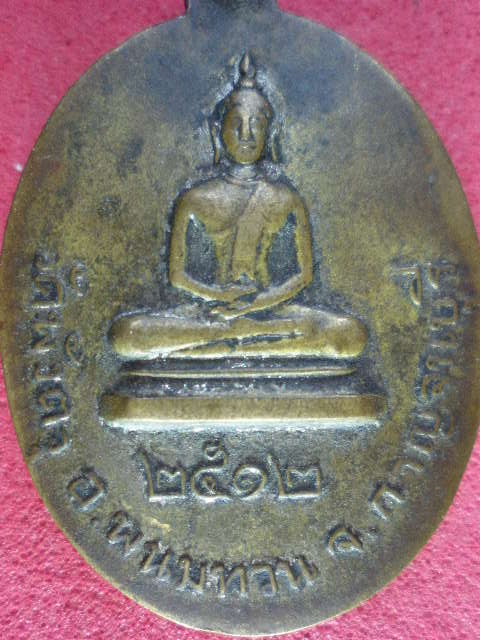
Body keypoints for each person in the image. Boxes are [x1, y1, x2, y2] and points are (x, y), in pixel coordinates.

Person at [110, 53, 367, 361]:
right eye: (237, 124)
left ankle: (222, 344)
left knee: (350, 334)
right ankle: (250, 343)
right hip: (209, 312)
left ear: (271, 133)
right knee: (127, 334)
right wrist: (221, 297)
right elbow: (178, 278)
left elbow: (303, 276)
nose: (247, 135)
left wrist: (256, 304)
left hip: (271, 311)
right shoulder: (195, 199)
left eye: (256, 124)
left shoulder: (286, 199)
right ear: (217, 132)